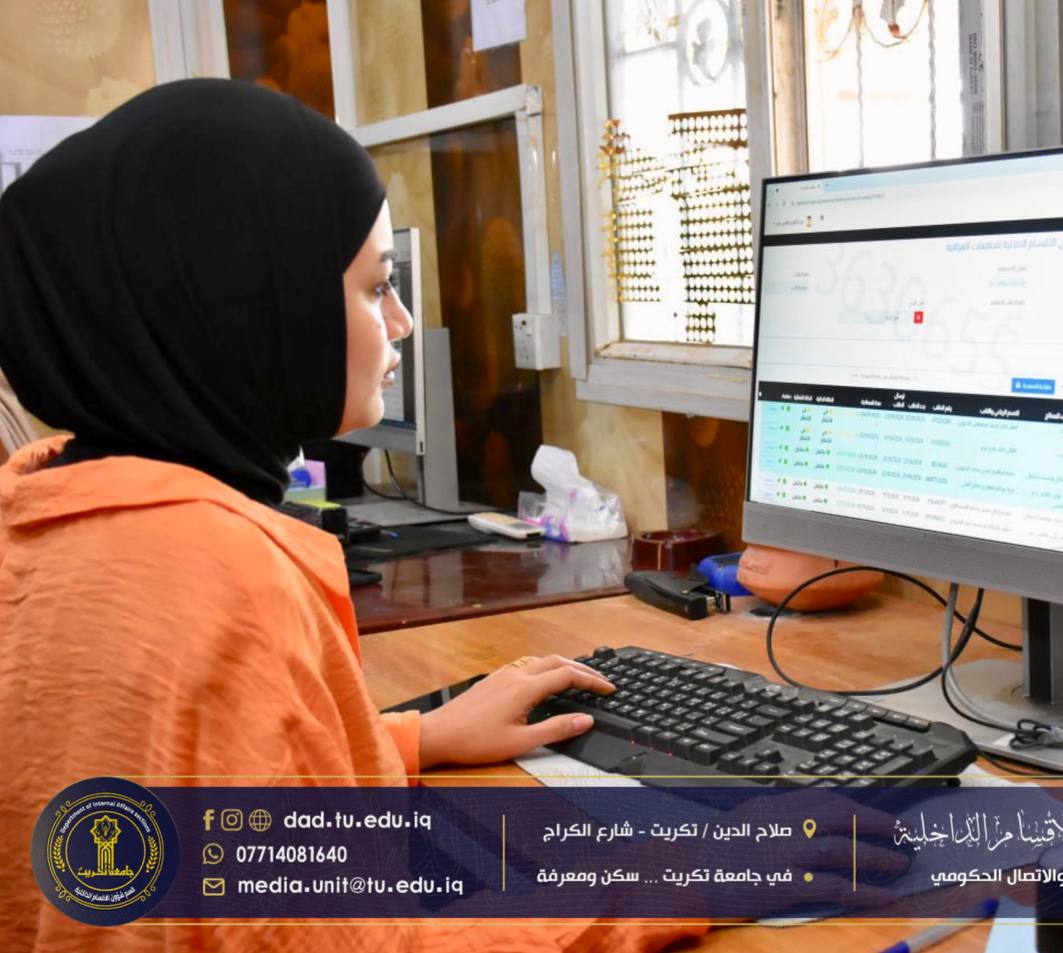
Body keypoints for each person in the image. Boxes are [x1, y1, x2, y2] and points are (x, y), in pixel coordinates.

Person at [0, 78, 709, 952]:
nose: (401, 321)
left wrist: (414, 737)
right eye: (377, 287)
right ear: (250, 306)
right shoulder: (215, 578)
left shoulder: (45, 511)